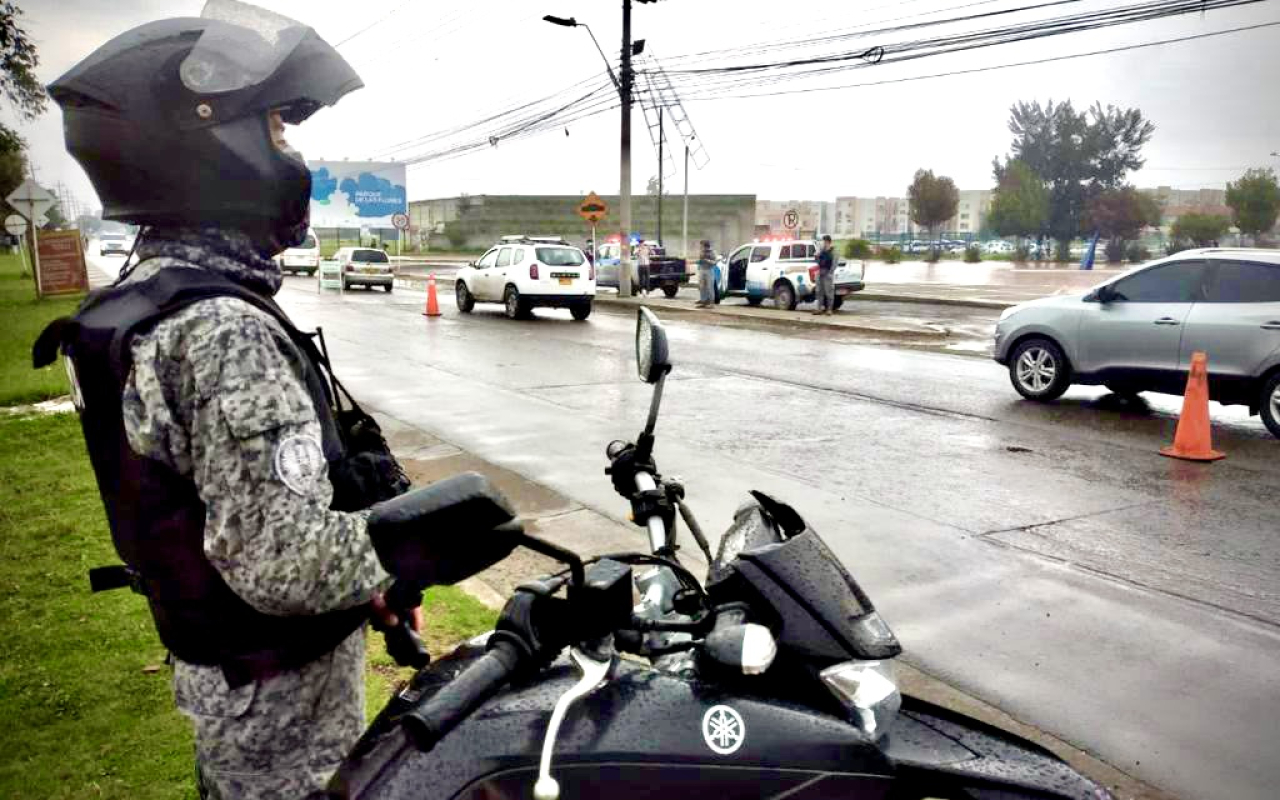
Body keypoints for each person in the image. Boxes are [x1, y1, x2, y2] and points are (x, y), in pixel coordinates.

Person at [38, 3, 454, 797]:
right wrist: (419, 546)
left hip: (236, 686)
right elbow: (283, 566)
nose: (291, 152)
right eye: (275, 130)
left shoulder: (143, 300)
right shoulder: (220, 330)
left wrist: (369, 583)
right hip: (279, 712)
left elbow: (224, 510)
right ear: (208, 146)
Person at [814, 234, 836, 315]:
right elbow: (817, 261)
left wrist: (830, 273)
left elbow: (834, 263)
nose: (823, 243)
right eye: (823, 242)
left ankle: (829, 310)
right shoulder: (821, 250)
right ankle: (819, 309)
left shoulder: (833, 251)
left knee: (829, 292)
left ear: (828, 242)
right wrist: (816, 256)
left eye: (824, 241)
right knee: (819, 292)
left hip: (828, 273)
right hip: (820, 272)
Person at [695, 240, 716, 307]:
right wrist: (698, 262)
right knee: (702, 287)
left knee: (710, 287)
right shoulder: (701, 252)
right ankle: (703, 301)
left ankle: (711, 302)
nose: (700, 247)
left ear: (705, 246)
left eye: (702, 245)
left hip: (709, 270)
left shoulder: (712, 252)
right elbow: (700, 261)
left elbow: (714, 262)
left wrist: (707, 260)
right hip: (702, 270)